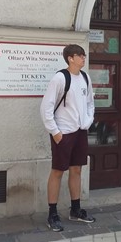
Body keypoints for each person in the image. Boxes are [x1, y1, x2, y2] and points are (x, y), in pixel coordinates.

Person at [40, 44, 96, 232]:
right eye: (80, 55)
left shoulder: (85, 78)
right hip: (63, 132)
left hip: (80, 131)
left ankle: (75, 209)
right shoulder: (60, 78)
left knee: (77, 170)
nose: (83, 58)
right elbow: (46, 107)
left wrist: (87, 122)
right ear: (70, 58)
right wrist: (55, 132)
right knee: (57, 171)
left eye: (84, 55)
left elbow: (90, 103)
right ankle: (52, 213)